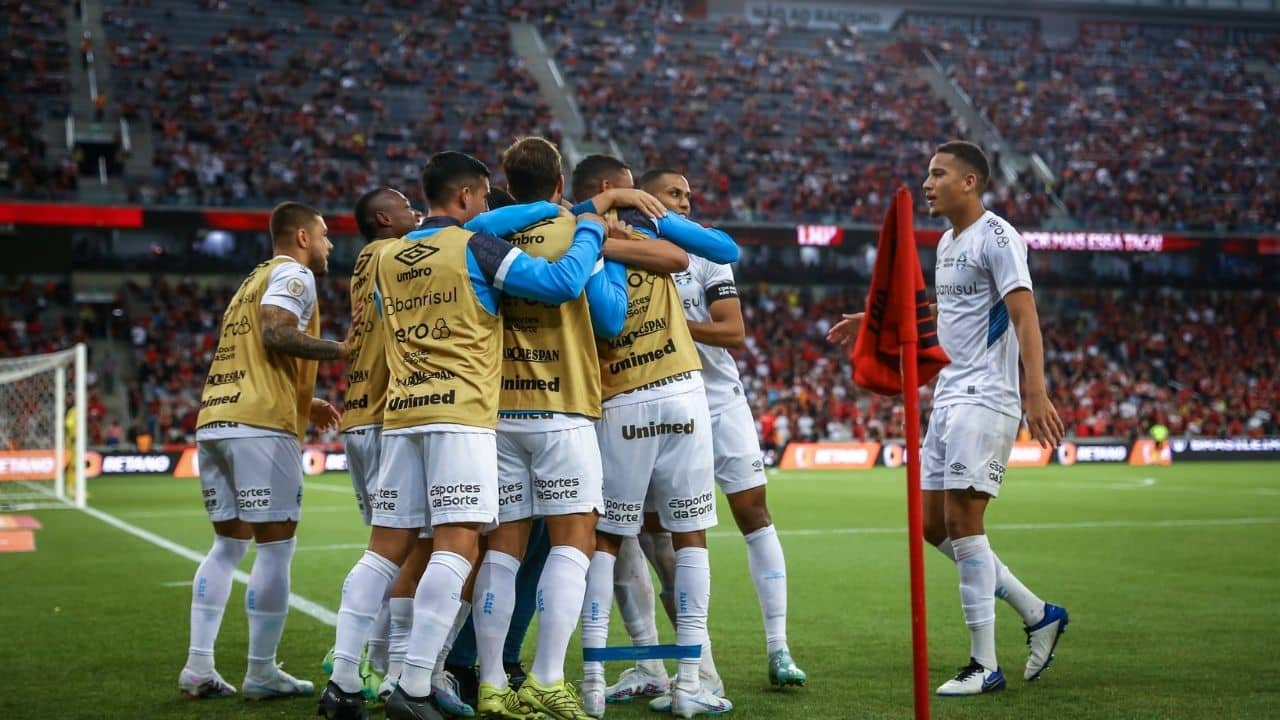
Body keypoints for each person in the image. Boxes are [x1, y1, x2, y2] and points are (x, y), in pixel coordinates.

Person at [318, 151, 607, 720]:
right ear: (469, 196)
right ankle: (415, 684)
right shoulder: (474, 247)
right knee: (457, 546)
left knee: (383, 551)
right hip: (463, 414)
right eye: (481, 196)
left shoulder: (386, 257)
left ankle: (345, 682)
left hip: (402, 415)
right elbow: (559, 281)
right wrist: (591, 224)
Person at [828, 140, 1069, 696]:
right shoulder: (945, 242)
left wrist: (1035, 391)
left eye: (938, 174)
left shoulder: (999, 235)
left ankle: (983, 664)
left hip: (986, 394)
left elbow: (1023, 312)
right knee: (933, 525)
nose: (928, 183)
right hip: (948, 394)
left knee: (964, 523)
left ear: (970, 182)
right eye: (927, 174)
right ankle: (1038, 612)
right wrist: (871, 320)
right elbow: (945, 308)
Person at [604, 170, 805, 710]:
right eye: (674, 195)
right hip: (656, 400)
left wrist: (670, 326)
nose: (685, 204)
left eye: (689, 197)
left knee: (752, 512)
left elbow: (733, 332)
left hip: (717, 398)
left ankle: (778, 647)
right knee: (652, 535)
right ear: (646, 199)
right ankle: (668, 665)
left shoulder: (707, 256)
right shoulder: (621, 247)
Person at [569, 154, 740, 719]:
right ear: (611, 188)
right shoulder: (648, 226)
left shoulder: (575, 237)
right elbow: (706, 251)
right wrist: (628, 230)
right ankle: (688, 681)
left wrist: (603, 243)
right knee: (688, 535)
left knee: (608, 540)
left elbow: (610, 317)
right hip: (681, 392)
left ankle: (595, 680)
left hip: (622, 402)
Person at [468, 135, 632, 720]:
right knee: (572, 543)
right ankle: (544, 679)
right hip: (563, 409)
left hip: (500, 412)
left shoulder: (486, 236)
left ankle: (490, 684)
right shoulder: (577, 234)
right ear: (561, 186)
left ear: (509, 187)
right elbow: (612, 321)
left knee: (502, 550)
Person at [180, 201, 356, 700]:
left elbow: (256, 356)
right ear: (300, 236)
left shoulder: (249, 283)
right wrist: (341, 350)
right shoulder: (295, 275)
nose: (328, 245)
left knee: (228, 545)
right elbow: (276, 334)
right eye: (323, 235)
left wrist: (306, 401)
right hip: (259, 427)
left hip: (217, 417)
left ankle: (198, 667)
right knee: (275, 548)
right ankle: (260, 672)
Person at [319, 187, 423, 701]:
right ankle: (394, 668)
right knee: (413, 550)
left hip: (361, 413)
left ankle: (364, 655)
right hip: (387, 414)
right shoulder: (391, 254)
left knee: (388, 549)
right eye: (406, 206)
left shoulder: (366, 259)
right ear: (384, 219)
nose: (415, 212)